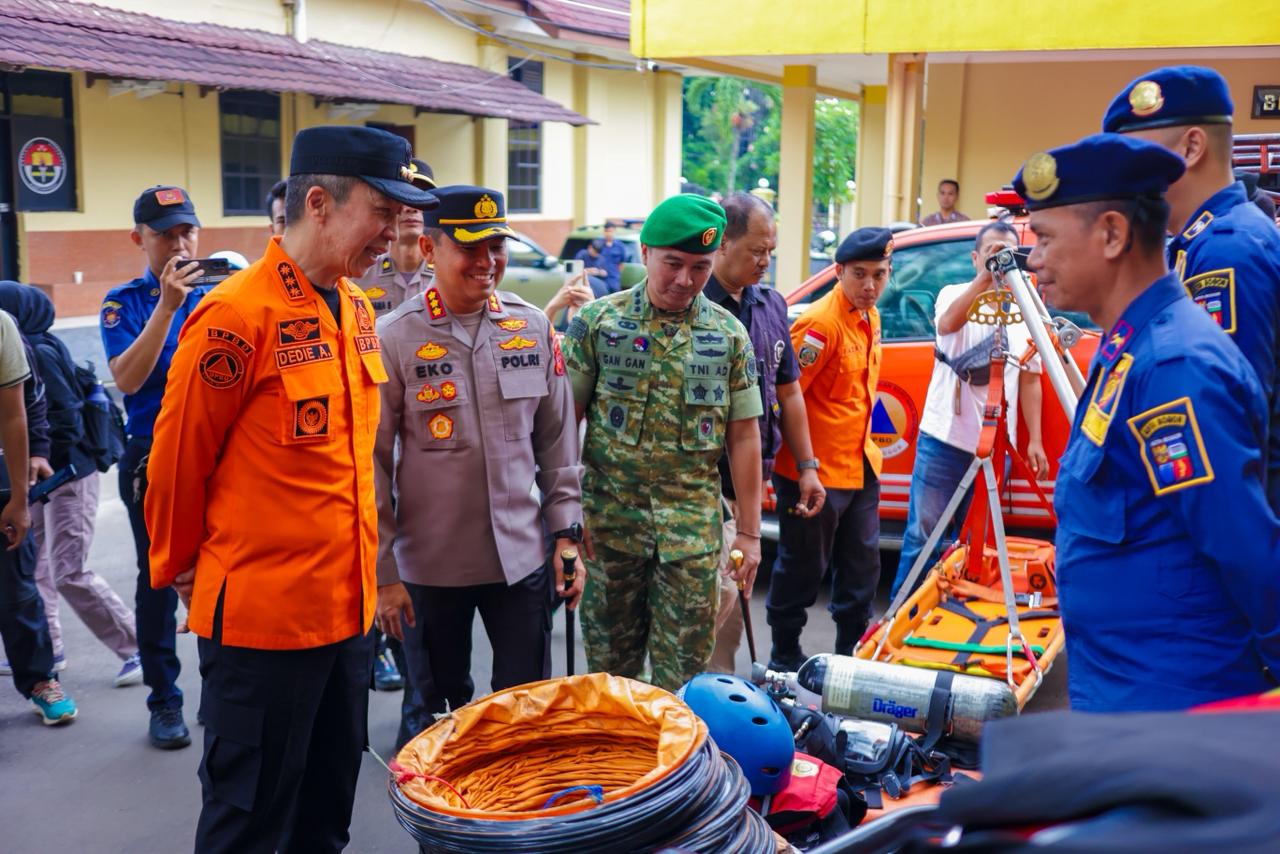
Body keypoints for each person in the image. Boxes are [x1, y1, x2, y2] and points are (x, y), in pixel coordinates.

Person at [145, 125, 437, 852]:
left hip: (345, 620)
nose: (397, 230)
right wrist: (182, 571)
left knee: (324, 815)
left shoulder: (357, 312)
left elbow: (357, 467)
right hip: (262, 627)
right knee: (249, 822)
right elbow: (177, 464)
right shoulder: (236, 316)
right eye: (384, 210)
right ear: (320, 202)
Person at [1015, 132, 1280, 711]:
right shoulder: (1129, 347)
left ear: (1112, 234)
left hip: (1173, 704)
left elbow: (1246, 547)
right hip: (1123, 689)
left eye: (1046, 238)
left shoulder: (1173, 367)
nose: (1033, 257)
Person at [373, 184, 584, 722]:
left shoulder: (532, 326)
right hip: (430, 565)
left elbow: (557, 442)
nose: (487, 262)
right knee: (438, 716)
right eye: (470, 247)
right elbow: (371, 461)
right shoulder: (394, 337)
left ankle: (515, 805)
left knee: (525, 709)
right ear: (429, 250)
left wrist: (567, 536)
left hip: (519, 559)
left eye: (496, 246)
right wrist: (384, 571)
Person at [562, 194, 764, 691]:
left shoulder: (729, 335)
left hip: (691, 538)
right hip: (608, 532)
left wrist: (750, 533)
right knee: (611, 675)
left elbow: (743, 436)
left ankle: (672, 770)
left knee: (683, 681)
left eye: (699, 266)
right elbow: (563, 425)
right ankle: (614, 768)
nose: (684, 280)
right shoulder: (598, 324)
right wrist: (564, 521)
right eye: (673, 263)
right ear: (646, 252)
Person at [1104, 66, 1280, 513]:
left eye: (1135, 153)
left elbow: (1227, 418)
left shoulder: (1227, 250)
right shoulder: (1201, 241)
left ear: (1192, 147)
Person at [100, 184, 209, 749]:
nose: (179, 242)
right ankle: (164, 700)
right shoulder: (126, 301)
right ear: (138, 238)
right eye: (166, 233)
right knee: (159, 581)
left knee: (223, 574)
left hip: (217, 454)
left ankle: (218, 692)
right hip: (151, 455)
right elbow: (128, 379)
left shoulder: (223, 292)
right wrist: (166, 305)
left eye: (187, 230)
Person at [889, 221, 1048, 599]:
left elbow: (1030, 379)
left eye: (1006, 254)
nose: (998, 261)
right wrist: (986, 279)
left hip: (995, 447)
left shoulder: (1026, 310)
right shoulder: (954, 293)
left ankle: (958, 619)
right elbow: (946, 324)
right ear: (975, 257)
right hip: (943, 440)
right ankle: (900, 614)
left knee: (979, 545)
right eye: (991, 252)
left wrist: (1036, 440)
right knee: (922, 539)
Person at [703, 192, 825, 673]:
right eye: (756, 251)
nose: (765, 261)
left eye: (770, 250)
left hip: (752, 488)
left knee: (731, 609)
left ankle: (717, 703)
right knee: (713, 606)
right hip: (703, 488)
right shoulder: (693, 306)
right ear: (722, 245)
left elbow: (789, 393)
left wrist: (809, 466)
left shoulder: (771, 304)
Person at [0, 282, 141, 686]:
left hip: (70, 476)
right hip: (45, 481)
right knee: (38, 569)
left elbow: (65, 419)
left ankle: (136, 648)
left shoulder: (39, 352)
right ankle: (51, 652)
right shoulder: (30, 345)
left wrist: (39, 459)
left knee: (68, 570)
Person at [766, 227, 891, 671]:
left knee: (862, 572)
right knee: (802, 568)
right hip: (814, 473)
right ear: (838, 272)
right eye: (859, 275)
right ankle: (783, 658)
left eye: (879, 274)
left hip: (859, 466)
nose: (870, 286)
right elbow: (787, 399)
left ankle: (850, 663)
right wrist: (805, 469)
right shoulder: (820, 325)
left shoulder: (870, 316)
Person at [0, 308, 77, 725]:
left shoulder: (1, 325)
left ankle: (39, 681)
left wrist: (17, 498)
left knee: (17, 595)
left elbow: (18, 412)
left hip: (1, 487)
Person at [355, 157, 436, 317]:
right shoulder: (360, 272)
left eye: (419, 198)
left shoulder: (447, 274)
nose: (411, 208)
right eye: (402, 198)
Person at [596, 222, 632, 293]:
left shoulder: (620, 246)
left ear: (614, 231)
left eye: (610, 231)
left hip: (613, 279)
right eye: (607, 231)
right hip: (599, 279)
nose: (609, 233)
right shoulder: (598, 244)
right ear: (604, 232)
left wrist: (616, 274)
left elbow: (622, 264)